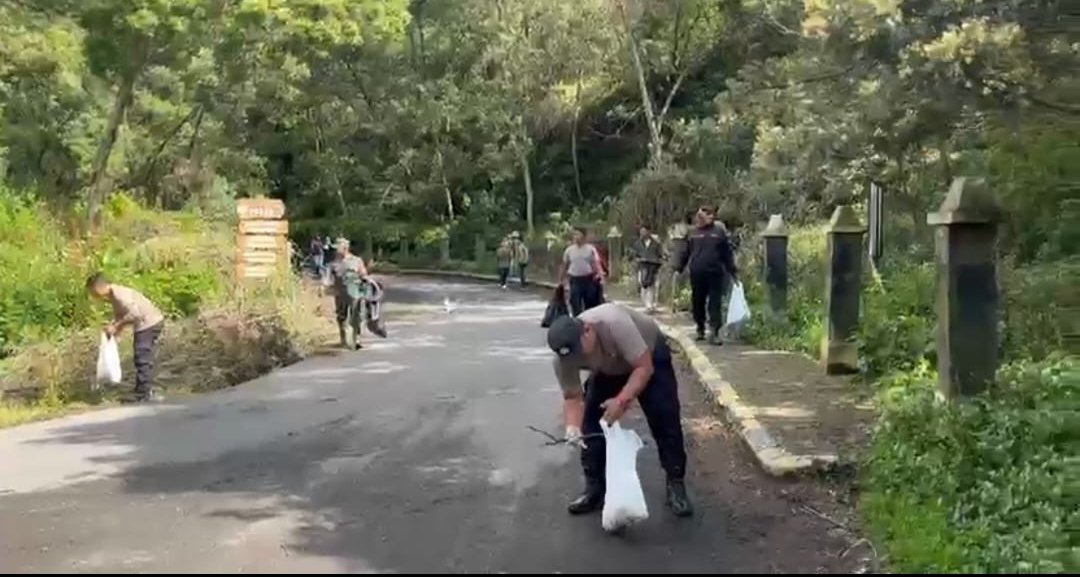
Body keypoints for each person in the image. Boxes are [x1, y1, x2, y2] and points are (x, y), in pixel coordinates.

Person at [546, 304, 693, 517]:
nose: (575, 360)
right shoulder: (563, 358)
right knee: (591, 425)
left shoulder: (614, 323)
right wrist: (572, 427)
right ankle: (594, 489)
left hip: (648, 354)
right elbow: (572, 397)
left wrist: (621, 401)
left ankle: (676, 482)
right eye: (569, 358)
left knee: (664, 415)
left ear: (587, 331)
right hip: (608, 367)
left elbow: (644, 368)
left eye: (578, 353)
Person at [86, 272, 165, 403]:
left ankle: (145, 393)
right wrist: (115, 329)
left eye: (92, 292)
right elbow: (122, 315)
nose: (93, 295)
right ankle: (143, 390)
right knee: (143, 356)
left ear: (99, 287)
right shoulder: (113, 296)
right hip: (146, 323)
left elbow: (135, 313)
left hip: (149, 323)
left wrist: (116, 326)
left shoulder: (119, 295)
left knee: (142, 357)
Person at [677, 205, 737, 344]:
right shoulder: (693, 232)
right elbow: (685, 252)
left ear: (712, 216)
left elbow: (726, 254)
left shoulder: (719, 232)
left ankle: (714, 332)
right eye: (701, 215)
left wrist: (732, 270)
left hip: (715, 273)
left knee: (715, 303)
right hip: (697, 273)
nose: (704, 217)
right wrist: (678, 267)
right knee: (698, 302)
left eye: (707, 214)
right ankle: (700, 328)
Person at [328, 237, 370, 350]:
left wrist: (364, 284)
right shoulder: (333, 264)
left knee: (356, 316)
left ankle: (356, 339)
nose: (336, 250)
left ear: (345, 248)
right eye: (335, 248)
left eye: (338, 248)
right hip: (340, 294)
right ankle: (343, 339)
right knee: (341, 316)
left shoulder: (356, 261)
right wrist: (328, 288)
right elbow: (328, 279)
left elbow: (364, 275)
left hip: (355, 293)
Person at [560, 227, 604, 316]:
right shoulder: (569, 250)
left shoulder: (590, 249)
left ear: (584, 236)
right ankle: (577, 320)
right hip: (575, 279)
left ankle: (588, 320)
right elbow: (564, 265)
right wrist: (561, 279)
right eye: (574, 234)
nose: (575, 237)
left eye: (577, 234)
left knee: (590, 301)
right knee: (575, 301)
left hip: (588, 279)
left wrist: (600, 275)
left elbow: (595, 263)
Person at [631, 224, 665, 314]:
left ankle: (649, 306)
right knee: (643, 285)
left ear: (649, 232)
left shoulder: (656, 244)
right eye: (641, 231)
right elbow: (634, 256)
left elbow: (661, 255)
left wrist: (657, 261)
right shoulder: (637, 244)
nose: (643, 233)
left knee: (651, 286)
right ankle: (646, 304)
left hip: (653, 267)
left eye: (645, 231)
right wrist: (638, 260)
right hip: (642, 267)